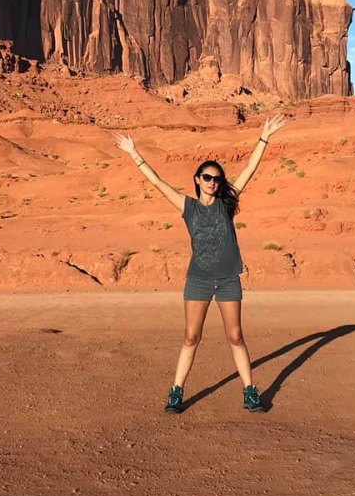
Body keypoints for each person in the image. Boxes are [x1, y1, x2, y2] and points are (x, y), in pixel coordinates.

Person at [114, 114, 286, 414]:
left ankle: (250, 392)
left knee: (235, 337)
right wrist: (134, 153)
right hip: (199, 280)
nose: (212, 182)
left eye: (217, 179)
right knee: (191, 337)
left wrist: (264, 137)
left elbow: (249, 169)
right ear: (197, 180)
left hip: (228, 279)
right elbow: (157, 182)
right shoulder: (188, 207)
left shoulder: (226, 204)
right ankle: (176, 392)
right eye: (207, 177)